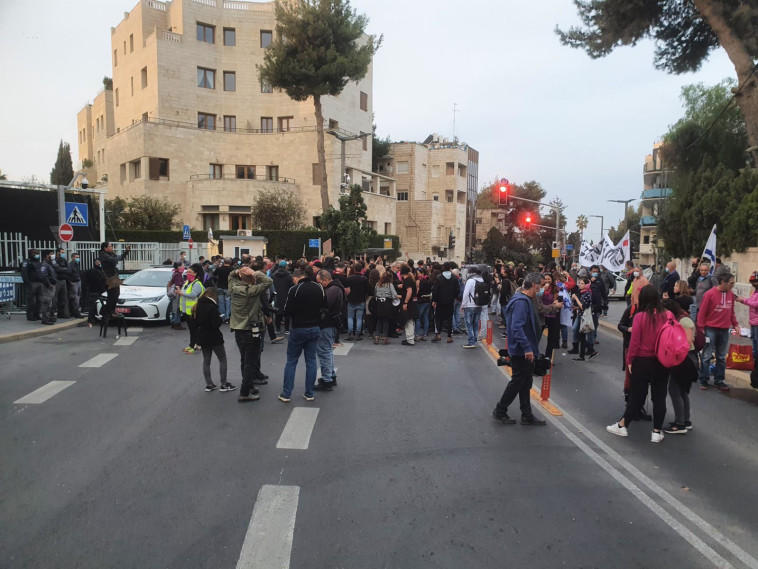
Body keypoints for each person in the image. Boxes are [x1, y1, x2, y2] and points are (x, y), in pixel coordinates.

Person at [607, 285, 671, 442]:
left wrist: (630, 361)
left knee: (637, 396)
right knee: (659, 397)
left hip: (642, 361)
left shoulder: (640, 317)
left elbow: (634, 342)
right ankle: (657, 431)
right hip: (662, 361)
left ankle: (623, 425)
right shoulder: (668, 315)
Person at [491, 273, 547, 426]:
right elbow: (516, 327)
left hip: (525, 350)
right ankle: (500, 410)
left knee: (525, 382)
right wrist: (527, 348)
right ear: (534, 285)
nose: (541, 289)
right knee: (517, 382)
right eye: (540, 285)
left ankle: (527, 415)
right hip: (522, 351)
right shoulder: (521, 302)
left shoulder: (526, 299)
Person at [229, 263, 273, 402]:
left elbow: (231, 275)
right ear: (252, 280)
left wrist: (239, 271)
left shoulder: (233, 288)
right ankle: (245, 392)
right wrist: (254, 272)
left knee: (244, 360)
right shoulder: (253, 291)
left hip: (238, 328)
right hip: (251, 329)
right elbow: (268, 281)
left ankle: (248, 386)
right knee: (250, 362)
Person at [279, 268, 323, 402]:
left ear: (296, 278)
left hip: (299, 328)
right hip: (315, 327)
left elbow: (287, 310)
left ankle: (286, 394)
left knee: (292, 361)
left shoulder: (295, 289)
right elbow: (323, 305)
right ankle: (309, 393)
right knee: (311, 361)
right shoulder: (319, 287)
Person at [697, 272, 739, 391]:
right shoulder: (709, 294)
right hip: (710, 329)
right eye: (731, 283)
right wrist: (700, 328)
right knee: (707, 355)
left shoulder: (731, 295)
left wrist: (735, 324)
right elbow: (702, 312)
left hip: (725, 329)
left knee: (721, 356)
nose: (733, 285)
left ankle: (719, 380)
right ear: (723, 282)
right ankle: (704, 379)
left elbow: (731, 311)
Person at [662, 298, 697, 434]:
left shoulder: (684, 321)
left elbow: (687, 342)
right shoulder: (678, 320)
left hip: (685, 359)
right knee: (682, 390)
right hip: (683, 358)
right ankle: (685, 421)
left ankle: (679, 424)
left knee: (675, 390)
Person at [194, 287, 236, 393]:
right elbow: (216, 324)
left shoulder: (198, 305)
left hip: (203, 337)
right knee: (222, 359)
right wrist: (220, 318)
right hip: (214, 337)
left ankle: (209, 384)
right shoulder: (212, 307)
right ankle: (224, 383)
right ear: (214, 295)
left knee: (206, 361)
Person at [314, 270, 343, 391]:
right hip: (330, 324)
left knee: (324, 352)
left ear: (325, 280)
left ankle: (327, 380)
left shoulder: (332, 290)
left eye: (319, 282)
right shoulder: (335, 288)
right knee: (327, 351)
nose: (319, 284)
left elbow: (325, 305)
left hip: (327, 324)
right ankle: (330, 376)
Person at [176, 263, 206, 354]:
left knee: (195, 330)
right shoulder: (188, 282)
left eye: (190, 272)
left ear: (195, 273)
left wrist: (180, 293)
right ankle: (192, 345)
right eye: (187, 271)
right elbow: (185, 292)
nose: (188, 273)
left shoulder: (197, 284)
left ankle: (194, 346)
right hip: (187, 311)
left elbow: (192, 295)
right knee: (192, 330)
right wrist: (179, 290)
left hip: (194, 311)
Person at [98, 241, 131, 319]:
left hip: (114, 277)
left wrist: (126, 252)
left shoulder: (110, 254)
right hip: (109, 279)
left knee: (116, 294)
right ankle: (109, 311)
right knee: (112, 295)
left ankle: (112, 310)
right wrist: (125, 252)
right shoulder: (103, 255)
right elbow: (115, 259)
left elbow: (120, 257)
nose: (111, 248)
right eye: (110, 246)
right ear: (105, 248)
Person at [737, 271, 758, 388]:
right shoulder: (755, 291)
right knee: (754, 343)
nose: (754, 283)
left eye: (755, 281)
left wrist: (743, 300)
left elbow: (755, 304)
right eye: (753, 282)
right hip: (754, 322)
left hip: (757, 322)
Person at [432, 262, 460, 343]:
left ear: (443, 267)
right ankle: (449, 336)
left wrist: (434, 300)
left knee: (438, 317)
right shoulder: (454, 277)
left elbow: (435, 290)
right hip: (450, 301)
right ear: (450, 268)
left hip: (440, 301)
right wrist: (453, 296)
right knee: (449, 318)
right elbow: (457, 290)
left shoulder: (438, 277)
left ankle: (438, 334)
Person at [571, 276, 598, 361]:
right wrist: (576, 308)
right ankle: (582, 355)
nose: (580, 285)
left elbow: (584, 306)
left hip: (584, 317)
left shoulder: (587, 293)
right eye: (579, 283)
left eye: (582, 283)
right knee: (581, 335)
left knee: (579, 334)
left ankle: (591, 350)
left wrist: (575, 298)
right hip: (581, 315)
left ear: (587, 285)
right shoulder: (583, 292)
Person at [461, 266, 484, 349]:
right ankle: (475, 341)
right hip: (479, 304)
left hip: (470, 305)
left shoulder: (470, 281)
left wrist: (463, 305)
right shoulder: (481, 279)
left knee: (469, 323)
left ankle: (471, 342)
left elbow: (466, 293)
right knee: (476, 323)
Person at [373, 269, 399, 345]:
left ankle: (377, 337)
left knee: (379, 320)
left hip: (379, 303)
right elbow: (394, 294)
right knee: (386, 320)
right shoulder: (389, 284)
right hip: (387, 303)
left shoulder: (377, 284)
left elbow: (375, 293)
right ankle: (385, 338)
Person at [345, 262, 368, 341]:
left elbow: (346, 289)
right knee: (359, 318)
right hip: (361, 300)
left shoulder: (349, 278)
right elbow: (367, 290)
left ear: (354, 269)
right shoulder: (364, 278)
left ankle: (350, 333)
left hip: (351, 300)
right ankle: (358, 334)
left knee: (350, 317)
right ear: (361, 269)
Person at [540, 273, 561, 360]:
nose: (547, 280)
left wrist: (557, 301)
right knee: (538, 334)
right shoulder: (540, 288)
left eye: (549, 279)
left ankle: (548, 357)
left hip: (552, 314)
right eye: (545, 279)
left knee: (551, 337)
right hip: (542, 314)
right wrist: (543, 290)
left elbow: (560, 300)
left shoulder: (556, 289)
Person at [20, 248, 45, 322]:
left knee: (39, 300)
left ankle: (37, 314)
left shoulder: (38, 262)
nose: (37, 255)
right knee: (31, 300)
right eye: (35, 254)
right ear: (31, 254)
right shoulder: (27, 262)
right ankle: (30, 315)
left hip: (39, 283)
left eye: (37, 253)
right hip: (31, 283)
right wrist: (27, 282)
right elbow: (24, 273)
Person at [84, 259, 107, 327]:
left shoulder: (99, 270)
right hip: (95, 291)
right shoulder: (94, 271)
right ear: (97, 263)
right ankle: (90, 320)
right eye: (99, 262)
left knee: (95, 306)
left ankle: (93, 319)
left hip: (95, 291)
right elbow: (98, 282)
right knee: (93, 306)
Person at [399, 265, 418, 346]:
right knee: (411, 321)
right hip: (413, 302)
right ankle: (410, 338)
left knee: (408, 321)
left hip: (409, 303)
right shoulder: (411, 280)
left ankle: (410, 340)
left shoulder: (407, 280)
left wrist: (405, 302)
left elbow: (409, 291)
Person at [51, 248, 72, 319]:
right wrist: (64, 269)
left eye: (63, 252)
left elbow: (69, 269)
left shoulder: (64, 260)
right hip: (57, 280)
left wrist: (63, 270)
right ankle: (52, 313)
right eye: (62, 252)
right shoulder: (54, 260)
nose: (63, 254)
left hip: (63, 280)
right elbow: (56, 269)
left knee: (64, 298)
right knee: (54, 298)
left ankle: (63, 313)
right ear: (57, 252)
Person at [415, 267, 432, 341]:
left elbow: (419, 292)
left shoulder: (421, 281)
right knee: (425, 318)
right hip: (428, 301)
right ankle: (425, 334)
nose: (417, 275)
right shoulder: (428, 280)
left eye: (418, 273)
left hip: (421, 301)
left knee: (418, 318)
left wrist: (417, 288)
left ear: (422, 273)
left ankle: (417, 334)